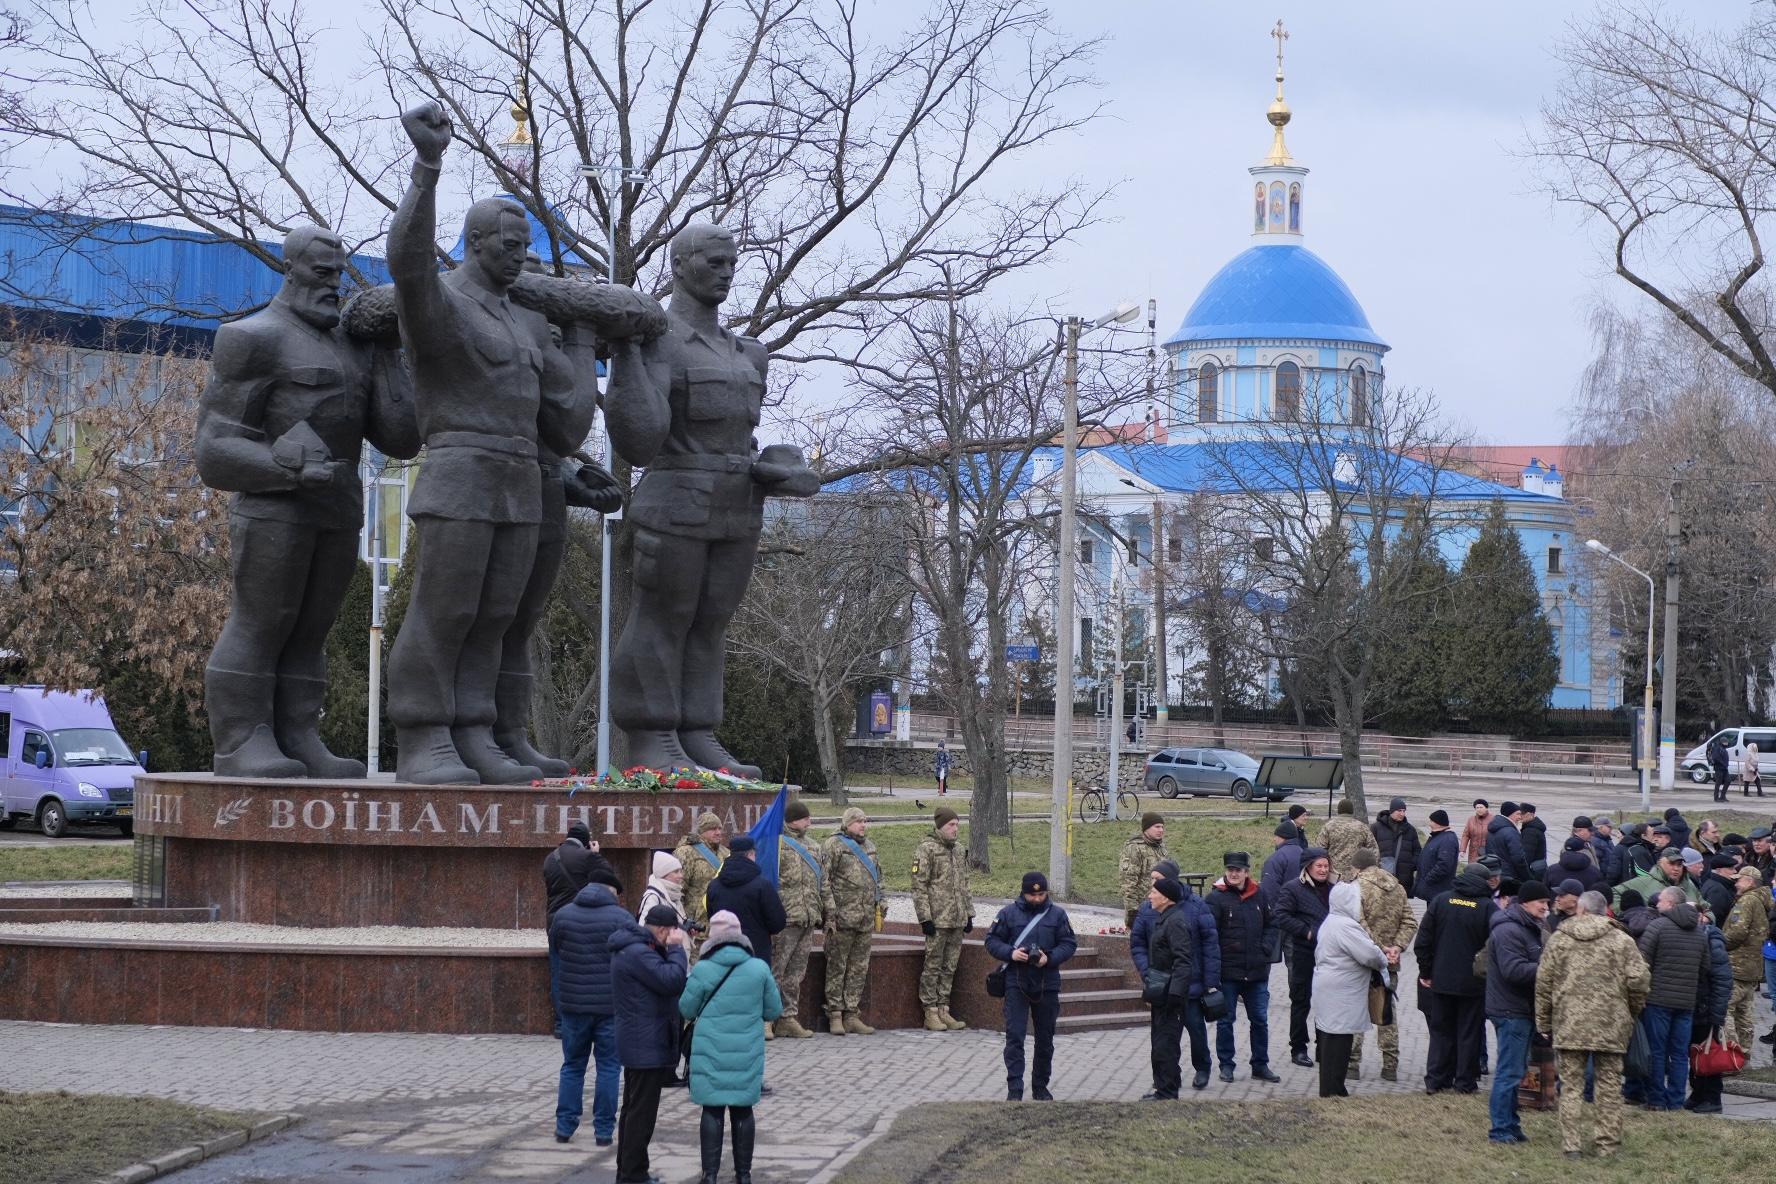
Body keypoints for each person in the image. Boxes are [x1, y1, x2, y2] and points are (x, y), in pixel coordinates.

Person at [383, 102, 619, 785]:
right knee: (446, 608)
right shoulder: (442, 301)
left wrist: (577, 327)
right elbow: (405, 262)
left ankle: (474, 731)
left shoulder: (525, 320)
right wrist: (427, 168)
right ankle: (424, 733)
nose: (523, 257)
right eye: (511, 246)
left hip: (521, 479)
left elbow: (567, 421)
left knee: (495, 617)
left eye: (527, 248)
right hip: (462, 471)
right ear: (477, 240)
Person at [196, 224, 420, 779]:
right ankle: (242, 740)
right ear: (289, 267)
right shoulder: (252, 336)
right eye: (323, 271)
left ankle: (298, 735)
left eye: (340, 272)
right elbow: (213, 448)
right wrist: (286, 469)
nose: (334, 282)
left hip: (337, 510)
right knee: (262, 621)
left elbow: (401, 438)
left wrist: (387, 348)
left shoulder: (354, 346)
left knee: (312, 629)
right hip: (275, 508)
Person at [605, 221, 818, 777]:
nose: (726, 272)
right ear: (679, 265)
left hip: (738, 507)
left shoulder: (749, 353)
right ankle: (652, 734)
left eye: (731, 263)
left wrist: (777, 465)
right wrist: (626, 355)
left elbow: (741, 438)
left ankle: (698, 733)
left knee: (710, 623)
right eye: (714, 262)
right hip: (674, 501)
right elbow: (638, 438)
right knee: (662, 618)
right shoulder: (656, 338)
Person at [1535, 890, 1649, 1160]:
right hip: (1611, 1025)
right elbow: (1639, 980)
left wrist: (1543, 1020)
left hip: (1569, 1024)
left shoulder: (1559, 939)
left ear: (1581, 909)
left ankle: (1571, 1145)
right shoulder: (1622, 940)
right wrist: (1631, 1011)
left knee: (1571, 1087)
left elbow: (1543, 983)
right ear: (1606, 910)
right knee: (1609, 1087)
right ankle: (1607, 1146)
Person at [678, 910, 783, 1184]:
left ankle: (710, 1176)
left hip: (709, 1052)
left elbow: (686, 1008)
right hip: (746, 1052)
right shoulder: (759, 969)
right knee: (743, 1110)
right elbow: (774, 1011)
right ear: (740, 936)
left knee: (712, 1110)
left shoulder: (702, 969)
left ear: (712, 938)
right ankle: (743, 1176)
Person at [610, 904, 691, 1184]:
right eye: (671, 932)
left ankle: (630, 1170)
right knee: (641, 1115)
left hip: (639, 1041)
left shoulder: (636, 949)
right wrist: (677, 949)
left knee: (633, 1111)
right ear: (663, 930)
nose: (672, 936)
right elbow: (672, 980)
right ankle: (633, 1175)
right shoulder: (639, 953)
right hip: (645, 1045)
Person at [549, 871, 630, 1146]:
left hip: (573, 1005)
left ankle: (564, 1127)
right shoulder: (621, 918)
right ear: (611, 892)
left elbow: (556, 954)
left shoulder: (563, 915)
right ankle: (604, 1131)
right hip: (611, 1007)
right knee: (609, 1067)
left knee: (572, 1065)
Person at [985, 872, 1077, 1101]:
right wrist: (1011, 953)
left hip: (1048, 981)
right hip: (1016, 980)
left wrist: (1050, 957)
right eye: (1032, 894)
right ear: (1023, 893)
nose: (1036, 898)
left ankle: (1040, 1086)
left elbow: (1069, 943)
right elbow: (991, 941)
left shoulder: (1057, 914)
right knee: (1015, 1036)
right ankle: (1015, 1088)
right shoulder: (1008, 913)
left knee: (1045, 1039)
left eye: (1041, 894)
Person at [1414, 862, 1494, 1094]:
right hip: (1473, 984)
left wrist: (1426, 972)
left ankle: (1436, 1080)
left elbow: (1423, 942)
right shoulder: (1487, 907)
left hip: (1441, 980)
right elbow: (1494, 947)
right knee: (1469, 1033)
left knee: (1440, 1032)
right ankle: (1465, 1082)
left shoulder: (1441, 901)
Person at [1208, 852, 1280, 1083]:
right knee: (1225, 1021)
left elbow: (1272, 924)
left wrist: (1265, 949)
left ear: (1247, 872)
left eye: (1238, 870)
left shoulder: (1260, 894)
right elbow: (1209, 935)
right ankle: (1226, 1065)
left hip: (1257, 972)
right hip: (1228, 973)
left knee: (1259, 1020)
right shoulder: (1215, 898)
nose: (1234, 873)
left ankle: (1260, 1064)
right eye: (1230, 869)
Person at [1312, 881, 1389, 1097]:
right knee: (1339, 1041)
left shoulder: (1332, 921)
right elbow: (1369, 955)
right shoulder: (1346, 926)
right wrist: (1384, 958)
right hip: (1342, 991)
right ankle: (1333, 1089)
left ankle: (1330, 1087)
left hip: (1331, 987)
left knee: (1330, 1038)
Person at [1486, 879, 1548, 1144]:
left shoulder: (1527, 926)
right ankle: (1500, 1130)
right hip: (1511, 1010)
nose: (1546, 907)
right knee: (1509, 1073)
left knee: (1515, 1070)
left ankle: (1511, 1126)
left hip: (1520, 1009)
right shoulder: (1510, 930)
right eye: (1542, 902)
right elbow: (1513, 970)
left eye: (1548, 903)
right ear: (1524, 902)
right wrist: (1549, 970)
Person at [1637, 886, 1709, 1110]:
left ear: (1670, 904)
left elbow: (1641, 964)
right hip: (1686, 1002)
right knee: (1679, 1054)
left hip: (1658, 1001)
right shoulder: (1699, 931)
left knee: (1657, 1052)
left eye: (1660, 901)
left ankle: (1656, 1100)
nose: (1656, 904)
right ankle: (1676, 1101)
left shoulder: (1657, 926)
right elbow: (1705, 967)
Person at [1349, 847, 1416, 1082]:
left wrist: (1378, 949)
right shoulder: (1397, 888)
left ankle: (1352, 1064)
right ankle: (1390, 1065)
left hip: (1362, 961)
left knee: (1357, 1011)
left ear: (1357, 867)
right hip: (1390, 963)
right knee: (1386, 1011)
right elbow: (1409, 921)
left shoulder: (1355, 888)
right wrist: (1396, 948)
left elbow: (1358, 923)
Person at [912, 806, 974, 1032]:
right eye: (951, 825)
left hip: (956, 918)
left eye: (957, 824)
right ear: (940, 826)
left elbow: (964, 884)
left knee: (950, 967)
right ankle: (930, 1011)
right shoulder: (926, 849)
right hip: (937, 920)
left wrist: (969, 913)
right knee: (933, 966)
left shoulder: (958, 850)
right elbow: (919, 887)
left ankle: (943, 1009)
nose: (955, 829)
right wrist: (924, 918)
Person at [821, 807, 882, 1035]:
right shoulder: (834, 845)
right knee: (837, 966)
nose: (862, 825)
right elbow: (824, 880)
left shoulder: (870, 846)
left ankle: (851, 1013)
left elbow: (878, 878)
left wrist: (880, 901)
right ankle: (835, 1014)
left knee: (859, 968)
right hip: (842, 918)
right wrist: (830, 911)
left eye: (865, 821)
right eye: (857, 822)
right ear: (846, 824)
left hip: (865, 917)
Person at [1274, 848, 1334, 1068]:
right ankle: (1298, 1048)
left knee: (1326, 1001)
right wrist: (1306, 931)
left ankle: (1324, 1047)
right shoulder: (1293, 888)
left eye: (1326, 866)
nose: (1323, 870)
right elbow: (1281, 915)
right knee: (1301, 1001)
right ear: (1308, 867)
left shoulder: (1333, 889)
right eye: (1319, 866)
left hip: (1328, 955)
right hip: (1303, 952)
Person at [772, 799, 823, 1038]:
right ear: (792, 820)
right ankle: (767, 1018)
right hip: (786, 917)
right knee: (776, 971)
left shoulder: (813, 846)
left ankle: (788, 1017)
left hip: (808, 916)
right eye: (804, 818)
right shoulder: (777, 844)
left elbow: (822, 882)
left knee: (796, 973)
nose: (809, 822)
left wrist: (824, 912)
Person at [1139, 878, 1194, 1101]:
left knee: (1166, 1045)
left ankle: (1168, 1092)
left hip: (1171, 997)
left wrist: (1174, 994)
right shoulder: (1166, 919)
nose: (1150, 896)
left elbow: (1183, 961)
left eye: (1153, 892)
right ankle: (1163, 1088)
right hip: (1162, 994)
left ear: (1166, 897)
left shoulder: (1176, 922)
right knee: (1160, 1043)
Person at [704, 835, 787, 972]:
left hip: (722, 952)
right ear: (751, 854)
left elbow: (712, 916)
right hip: (756, 954)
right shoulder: (762, 886)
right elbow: (778, 923)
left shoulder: (714, 885)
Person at [1686, 900, 1733, 1114]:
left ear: (1700, 916)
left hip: (1708, 1007)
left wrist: (1717, 1013)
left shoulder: (1711, 939)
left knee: (1709, 1053)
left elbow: (1722, 979)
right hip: (1697, 1005)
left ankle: (1713, 1097)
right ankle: (1698, 1094)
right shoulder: (1696, 937)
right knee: (1696, 1053)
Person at [1721, 861, 1770, 1051]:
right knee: (1745, 1014)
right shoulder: (1761, 901)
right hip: (1753, 967)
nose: (1736, 884)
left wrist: (1720, 945)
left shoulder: (1747, 901)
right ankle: (1745, 1054)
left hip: (1737, 965)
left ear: (1749, 881)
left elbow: (1738, 931)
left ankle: (1730, 1055)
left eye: (1739, 880)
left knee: (1725, 1010)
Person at [674, 812, 729, 938]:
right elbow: (678, 891)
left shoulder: (726, 853)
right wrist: (683, 921)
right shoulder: (686, 853)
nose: (718, 832)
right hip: (695, 927)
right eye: (713, 829)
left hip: (720, 925)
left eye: (720, 828)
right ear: (702, 831)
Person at [1119, 813, 1171, 928]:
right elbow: (1128, 883)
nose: (1161, 830)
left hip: (1162, 909)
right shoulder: (1134, 848)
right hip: (1143, 910)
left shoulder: (1161, 848)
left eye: (1162, 827)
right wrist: (1133, 913)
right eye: (1157, 827)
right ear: (1146, 828)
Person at [1616, 845, 1702, 912]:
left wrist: (1707, 917)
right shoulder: (1644, 881)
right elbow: (1614, 893)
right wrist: (1632, 916)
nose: (1676, 868)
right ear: (1660, 863)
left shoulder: (1689, 884)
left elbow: (1706, 906)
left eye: (1679, 865)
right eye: (1671, 863)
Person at [1315, 798, 1378, 883]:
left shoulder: (1329, 826)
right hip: (1356, 874)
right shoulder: (1362, 827)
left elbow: (1319, 850)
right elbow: (1373, 851)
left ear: (1339, 810)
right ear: (1352, 811)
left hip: (1334, 875)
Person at [1371, 797, 1421, 897]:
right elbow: (1369, 848)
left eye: (1404, 811)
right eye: (1399, 810)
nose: (1402, 814)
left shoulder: (1410, 830)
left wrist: (1411, 866)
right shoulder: (1376, 827)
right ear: (1392, 811)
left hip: (1403, 878)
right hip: (1382, 876)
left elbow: (1417, 851)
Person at [1417, 809, 1459, 902]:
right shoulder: (1437, 837)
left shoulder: (1448, 839)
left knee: (1437, 915)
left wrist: (1429, 878)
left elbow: (1444, 865)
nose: (1429, 823)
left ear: (1437, 823)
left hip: (1439, 890)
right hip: (1432, 890)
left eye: (1431, 821)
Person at [1486, 802, 1531, 883]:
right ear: (1509, 814)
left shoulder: (1493, 828)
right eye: (1518, 814)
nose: (1520, 817)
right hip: (1509, 875)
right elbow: (1518, 858)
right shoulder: (1511, 832)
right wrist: (1527, 877)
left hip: (1494, 872)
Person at [638, 851, 686, 926]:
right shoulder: (653, 897)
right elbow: (644, 928)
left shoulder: (674, 895)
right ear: (663, 874)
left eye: (680, 871)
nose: (681, 875)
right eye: (676, 872)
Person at [1262, 822, 1305, 900]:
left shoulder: (1275, 859)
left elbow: (1269, 889)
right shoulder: (1304, 854)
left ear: (1283, 837)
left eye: (1276, 836)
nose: (1274, 839)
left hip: (1284, 906)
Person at [1519, 802, 1548, 877]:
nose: (1519, 816)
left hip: (1533, 870)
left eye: (1522, 814)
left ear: (1530, 815)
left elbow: (1527, 855)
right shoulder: (1533, 827)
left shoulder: (1530, 831)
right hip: (1539, 868)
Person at [1461, 799, 1493, 865]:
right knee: (1473, 870)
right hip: (1473, 852)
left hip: (1488, 852)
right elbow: (1466, 835)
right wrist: (1462, 850)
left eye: (1481, 807)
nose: (1479, 809)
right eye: (1477, 808)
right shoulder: (1471, 820)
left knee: (1487, 871)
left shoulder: (1493, 819)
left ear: (1486, 808)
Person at [1708, 732, 1732, 803]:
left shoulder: (1723, 749)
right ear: (1721, 742)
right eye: (1725, 742)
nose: (1726, 743)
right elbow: (1715, 758)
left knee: (1728, 781)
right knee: (1718, 783)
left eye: (1726, 742)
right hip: (1719, 768)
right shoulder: (1717, 748)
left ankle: (1722, 796)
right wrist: (1723, 764)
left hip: (1724, 769)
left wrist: (1725, 765)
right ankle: (1716, 798)